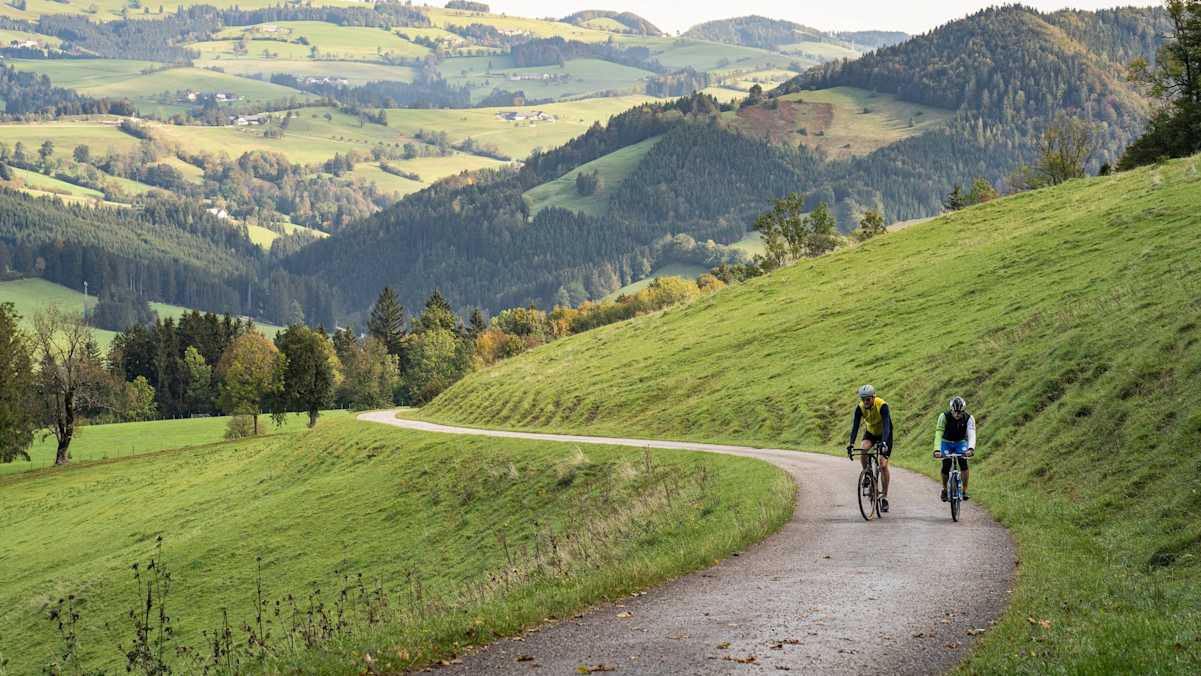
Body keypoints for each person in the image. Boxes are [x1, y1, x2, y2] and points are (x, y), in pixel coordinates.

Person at [846, 384, 894, 512]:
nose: (865, 402)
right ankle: (867, 474)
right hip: (871, 433)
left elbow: (887, 425)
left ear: (873, 397)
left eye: (868, 399)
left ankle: (884, 497)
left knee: (883, 465)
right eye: (863, 399)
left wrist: (884, 442)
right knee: (863, 448)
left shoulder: (882, 405)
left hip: (885, 434)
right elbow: (855, 427)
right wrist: (851, 444)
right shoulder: (860, 408)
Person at [933, 396, 976, 501]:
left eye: (960, 412)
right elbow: (939, 433)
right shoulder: (943, 416)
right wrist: (937, 450)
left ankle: (964, 490)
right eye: (955, 412)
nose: (957, 414)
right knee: (946, 465)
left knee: (963, 464)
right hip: (946, 442)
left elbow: (971, 434)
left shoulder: (969, 418)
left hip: (960, 443)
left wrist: (970, 449)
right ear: (951, 409)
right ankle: (944, 489)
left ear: (963, 411)